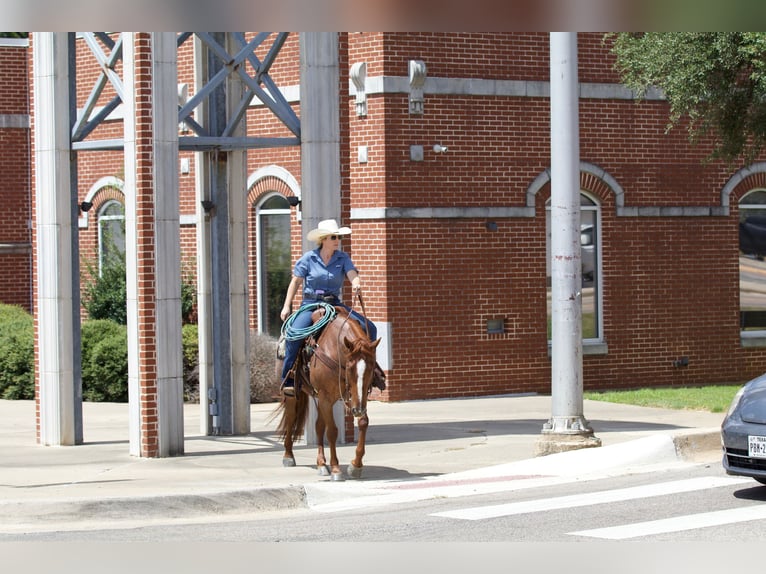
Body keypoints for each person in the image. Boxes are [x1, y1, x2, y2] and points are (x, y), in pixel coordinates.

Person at [279, 219, 385, 396]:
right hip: (311, 304)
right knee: (294, 334)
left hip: (334, 303)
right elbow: (296, 282)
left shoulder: (342, 258)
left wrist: (357, 283)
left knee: (370, 328)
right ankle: (289, 376)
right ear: (324, 239)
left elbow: (352, 275)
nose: (338, 240)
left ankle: (371, 371)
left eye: (339, 237)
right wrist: (286, 306)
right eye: (334, 237)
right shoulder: (309, 258)